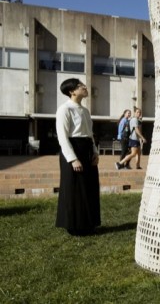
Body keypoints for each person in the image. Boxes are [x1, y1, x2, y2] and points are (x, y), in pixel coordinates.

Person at [55, 78, 101, 235]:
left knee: (90, 186)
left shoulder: (85, 111)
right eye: (81, 86)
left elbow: (90, 135)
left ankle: (89, 224)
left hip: (87, 150)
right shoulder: (65, 109)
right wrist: (73, 159)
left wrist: (95, 152)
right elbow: (62, 137)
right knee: (74, 188)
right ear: (72, 91)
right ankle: (74, 226)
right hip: (73, 150)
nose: (85, 87)